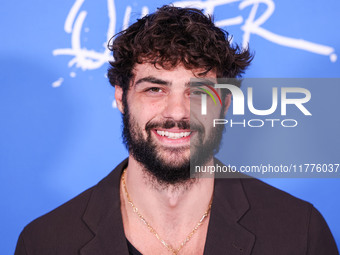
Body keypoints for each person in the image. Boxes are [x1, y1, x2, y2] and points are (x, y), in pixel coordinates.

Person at [15, 5, 338, 255]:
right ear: (121, 97)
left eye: (198, 92)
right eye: (154, 89)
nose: (177, 113)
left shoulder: (299, 230)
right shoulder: (47, 240)